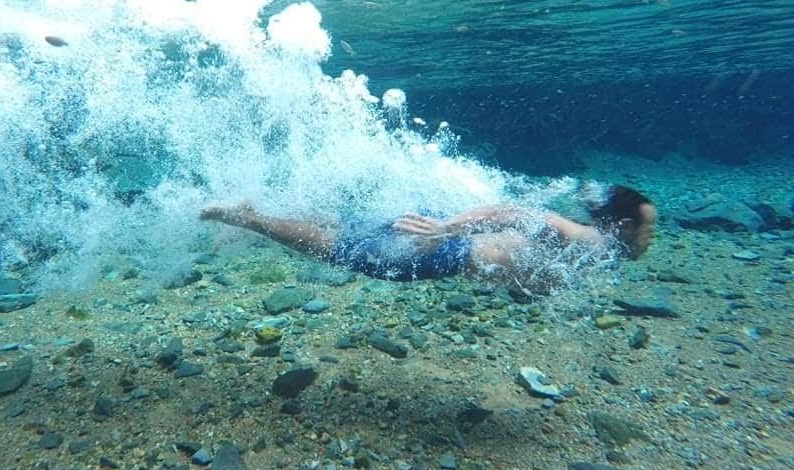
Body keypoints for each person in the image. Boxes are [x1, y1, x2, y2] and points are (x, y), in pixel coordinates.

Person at [200, 185, 656, 300]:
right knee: (340, 248)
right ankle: (249, 219)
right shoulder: (590, 242)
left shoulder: (599, 252)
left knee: (348, 229)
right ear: (621, 227)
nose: (649, 240)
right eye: (647, 230)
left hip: (447, 247)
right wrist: (446, 228)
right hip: (444, 251)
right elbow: (515, 212)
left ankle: (257, 207)